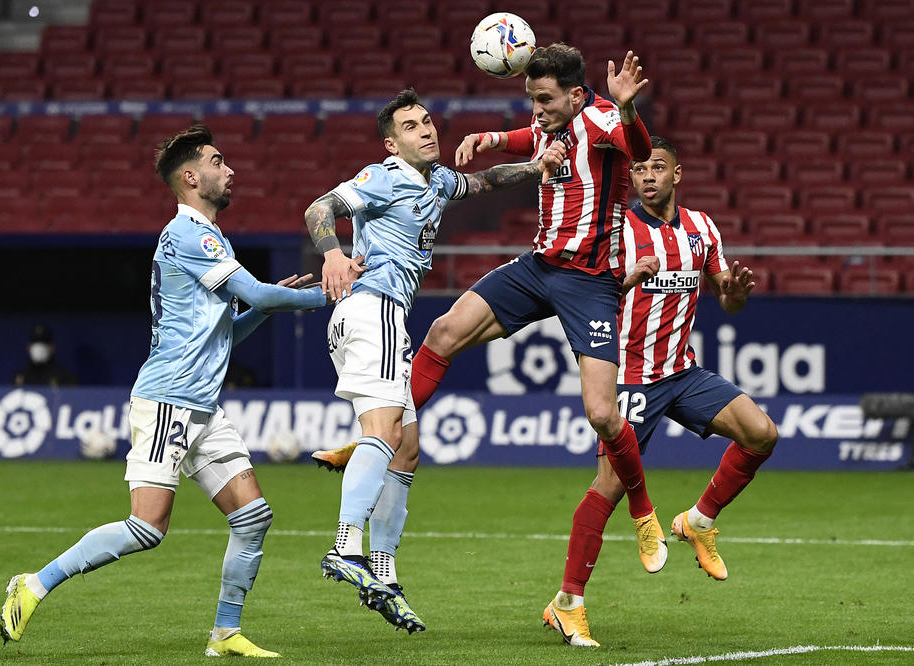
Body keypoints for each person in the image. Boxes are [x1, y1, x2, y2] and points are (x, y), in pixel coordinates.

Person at [0, 125, 328, 658]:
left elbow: (228, 329)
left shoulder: (209, 238)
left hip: (202, 406)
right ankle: (33, 584)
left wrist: (266, 308)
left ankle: (225, 634)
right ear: (191, 177)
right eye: (218, 162)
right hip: (169, 399)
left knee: (252, 517)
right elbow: (256, 292)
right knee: (147, 527)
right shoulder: (189, 235)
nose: (230, 170)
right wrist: (331, 293)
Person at [306, 88, 566, 633]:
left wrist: (536, 166)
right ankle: (346, 547)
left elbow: (483, 181)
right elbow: (320, 208)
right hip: (370, 308)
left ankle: (383, 572)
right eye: (411, 126)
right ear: (391, 144)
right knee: (383, 435)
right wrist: (332, 252)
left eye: (427, 121)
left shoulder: (439, 181)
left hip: (384, 319)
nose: (426, 130)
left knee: (407, 450)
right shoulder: (383, 177)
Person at [409, 45, 669, 569]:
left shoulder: (603, 120)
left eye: (545, 99)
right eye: (531, 97)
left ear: (575, 95)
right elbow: (532, 135)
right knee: (442, 332)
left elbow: (639, 149)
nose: (537, 108)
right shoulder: (554, 118)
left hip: (590, 282)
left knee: (603, 415)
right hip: (538, 267)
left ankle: (643, 512)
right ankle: (380, 436)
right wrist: (489, 138)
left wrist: (628, 107)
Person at [542, 136, 779, 647]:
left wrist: (734, 296)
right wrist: (627, 280)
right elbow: (586, 296)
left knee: (761, 433)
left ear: (677, 174)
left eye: (657, 167)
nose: (647, 176)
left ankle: (698, 521)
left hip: (681, 373)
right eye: (640, 169)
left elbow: (726, 296)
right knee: (608, 487)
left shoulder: (702, 228)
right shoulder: (616, 230)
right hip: (628, 375)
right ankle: (568, 602)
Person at [13, 323, 77, 387]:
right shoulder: (20, 377)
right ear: (28, 347)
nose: (39, 348)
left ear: (53, 347)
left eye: (43, 344)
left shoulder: (64, 377)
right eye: (35, 343)